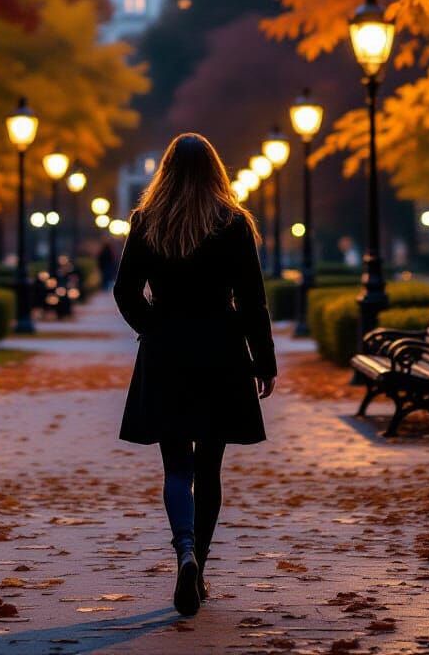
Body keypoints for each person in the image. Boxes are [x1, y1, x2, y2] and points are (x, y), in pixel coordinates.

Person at [113, 133, 277, 618]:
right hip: (221, 350)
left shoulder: (147, 222)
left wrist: (153, 329)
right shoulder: (233, 223)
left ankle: (182, 548)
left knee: (176, 467)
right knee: (209, 468)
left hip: (168, 353)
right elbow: (252, 299)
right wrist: (263, 361)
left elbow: (124, 290)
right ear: (215, 171)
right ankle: (199, 567)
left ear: (164, 171)